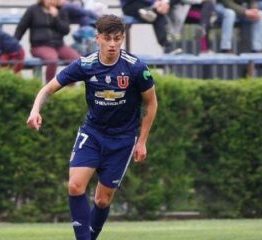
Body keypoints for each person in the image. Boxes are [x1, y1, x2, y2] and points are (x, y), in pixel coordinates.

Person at [26, 14, 158, 240]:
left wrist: (142, 141)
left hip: (123, 140)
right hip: (93, 135)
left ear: (122, 39)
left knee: (102, 200)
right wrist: (35, 110)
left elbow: (151, 103)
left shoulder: (136, 68)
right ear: (97, 38)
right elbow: (48, 88)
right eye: (107, 38)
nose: (113, 44)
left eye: (117, 38)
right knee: (75, 186)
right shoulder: (85, 65)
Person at [14, 0, 80, 83]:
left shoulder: (61, 10)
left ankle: (69, 87)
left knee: (76, 60)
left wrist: (56, 17)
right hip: (40, 46)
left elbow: (66, 30)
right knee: (52, 60)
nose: (52, 1)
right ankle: (49, 87)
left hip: (59, 45)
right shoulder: (33, 10)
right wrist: (14, 43)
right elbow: (21, 27)